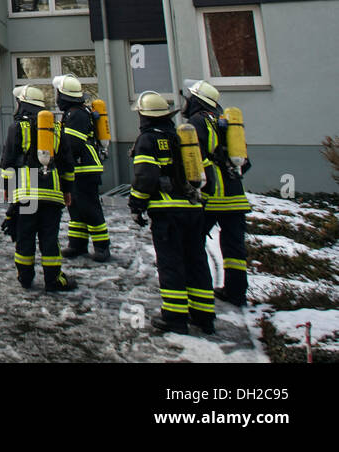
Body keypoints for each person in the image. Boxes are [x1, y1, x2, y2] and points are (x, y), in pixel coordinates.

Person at [130, 90, 215, 334]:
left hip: (167, 212)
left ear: (144, 117)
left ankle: (175, 316)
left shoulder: (147, 140)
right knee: (196, 260)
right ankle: (204, 315)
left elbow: (145, 176)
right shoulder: (183, 136)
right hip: (192, 208)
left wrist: (136, 205)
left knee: (170, 262)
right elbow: (205, 173)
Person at [182, 80, 251, 307]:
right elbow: (245, 162)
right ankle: (237, 293)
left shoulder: (197, 122)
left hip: (210, 196)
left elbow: (193, 158)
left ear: (196, 101)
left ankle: (194, 287)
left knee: (192, 240)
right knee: (234, 247)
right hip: (235, 194)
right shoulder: (227, 123)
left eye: (189, 98)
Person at [3, 85, 77, 292]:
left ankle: (25, 276)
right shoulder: (55, 127)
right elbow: (66, 163)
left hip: (27, 193)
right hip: (52, 193)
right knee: (49, 237)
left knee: (25, 235)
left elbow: (8, 160)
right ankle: (53, 279)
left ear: (23, 104)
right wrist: (67, 189)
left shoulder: (17, 127)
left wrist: (8, 187)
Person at [55, 74, 109, 262]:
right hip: (78, 168)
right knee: (75, 208)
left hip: (85, 167)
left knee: (89, 206)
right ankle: (77, 244)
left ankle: (102, 246)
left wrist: (59, 158)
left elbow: (73, 143)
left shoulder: (76, 114)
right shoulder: (73, 112)